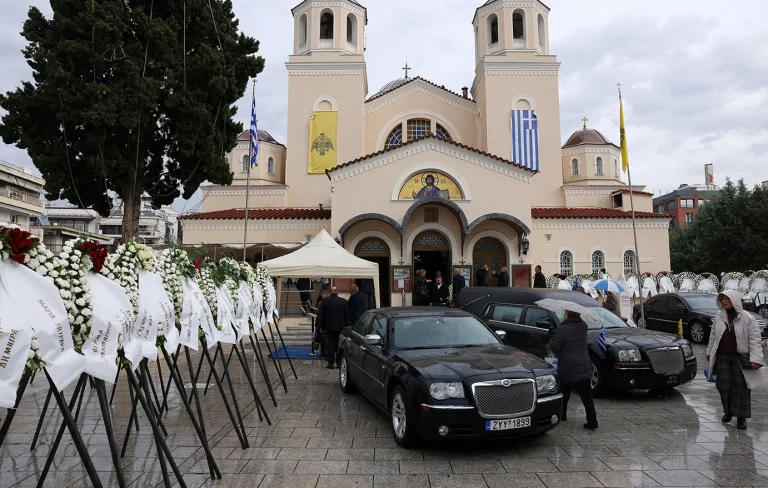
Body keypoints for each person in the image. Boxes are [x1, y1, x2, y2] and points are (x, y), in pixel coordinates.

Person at [706, 290, 764, 429]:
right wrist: (709, 352)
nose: (724, 301)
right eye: (722, 299)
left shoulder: (748, 318)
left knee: (741, 388)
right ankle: (728, 412)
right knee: (723, 386)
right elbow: (713, 335)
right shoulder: (719, 316)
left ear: (735, 300)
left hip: (740, 357)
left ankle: (741, 418)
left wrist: (756, 359)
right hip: (722, 357)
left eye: (727, 298)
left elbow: (755, 341)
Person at [550, 310, 598, 430]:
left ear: (568, 314)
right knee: (587, 396)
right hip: (583, 364)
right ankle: (592, 421)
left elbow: (556, 348)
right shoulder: (583, 326)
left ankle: (563, 415)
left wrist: (552, 340)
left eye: (565, 313)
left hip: (568, 366)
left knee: (564, 393)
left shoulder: (562, 328)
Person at [318, 287, 349, 369]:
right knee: (339, 345)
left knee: (330, 345)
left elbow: (322, 315)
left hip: (329, 327)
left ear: (330, 292)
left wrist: (322, 326)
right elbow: (346, 316)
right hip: (341, 327)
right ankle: (339, 363)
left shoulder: (325, 301)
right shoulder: (343, 302)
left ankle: (331, 363)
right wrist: (346, 327)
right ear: (337, 292)